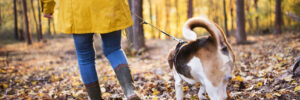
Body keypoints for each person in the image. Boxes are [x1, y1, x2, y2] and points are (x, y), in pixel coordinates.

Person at [40, 0, 140, 99]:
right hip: (109, 5)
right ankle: (130, 92)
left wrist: (47, 7)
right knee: (114, 49)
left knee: (85, 56)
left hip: (78, 9)